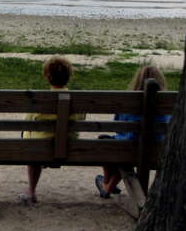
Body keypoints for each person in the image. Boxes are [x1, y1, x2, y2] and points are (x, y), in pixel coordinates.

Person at [95, 64, 169, 199]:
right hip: (157, 152)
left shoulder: (128, 101)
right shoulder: (167, 103)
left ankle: (106, 184)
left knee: (110, 144)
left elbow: (117, 126)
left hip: (129, 149)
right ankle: (107, 185)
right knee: (122, 150)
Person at [20, 56, 86, 204]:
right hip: (70, 147)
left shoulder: (39, 100)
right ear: (69, 76)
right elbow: (81, 119)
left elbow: (27, 122)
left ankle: (31, 191)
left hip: (40, 148)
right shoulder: (79, 100)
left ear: (47, 76)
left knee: (30, 136)